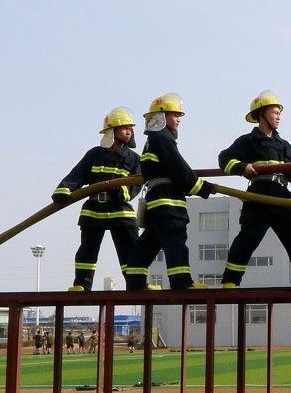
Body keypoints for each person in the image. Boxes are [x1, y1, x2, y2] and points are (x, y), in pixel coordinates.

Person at [218, 91, 291, 289]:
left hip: (281, 194)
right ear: (261, 114)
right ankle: (230, 281)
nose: (278, 117)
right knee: (249, 238)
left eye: (279, 113)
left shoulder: (283, 145)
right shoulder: (247, 141)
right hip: (259, 194)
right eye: (274, 112)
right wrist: (242, 168)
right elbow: (224, 159)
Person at [123, 94, 216, 290]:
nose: (179, 119)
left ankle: (135, 282)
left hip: (156, 202)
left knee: (148, 244)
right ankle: (182, 282)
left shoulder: (152, 140)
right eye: (175, 114)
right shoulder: (161, 137)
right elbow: (177, 166)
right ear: (163, 116)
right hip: (169, 203)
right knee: (176, 241)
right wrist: (201, 187)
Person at [51, 107, 142, 291]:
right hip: (94, 210)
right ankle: (82, 284)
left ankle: (136, 285)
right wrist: (63, 189)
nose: (128, 131)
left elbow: (135, 188)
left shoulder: (134, 159)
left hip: (120, 212)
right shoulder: (94, 154)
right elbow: (77, 174)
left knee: (131, 250)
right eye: (124, 127)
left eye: (130, 128)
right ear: (111, 131)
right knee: (87, 250)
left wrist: (120, 192)